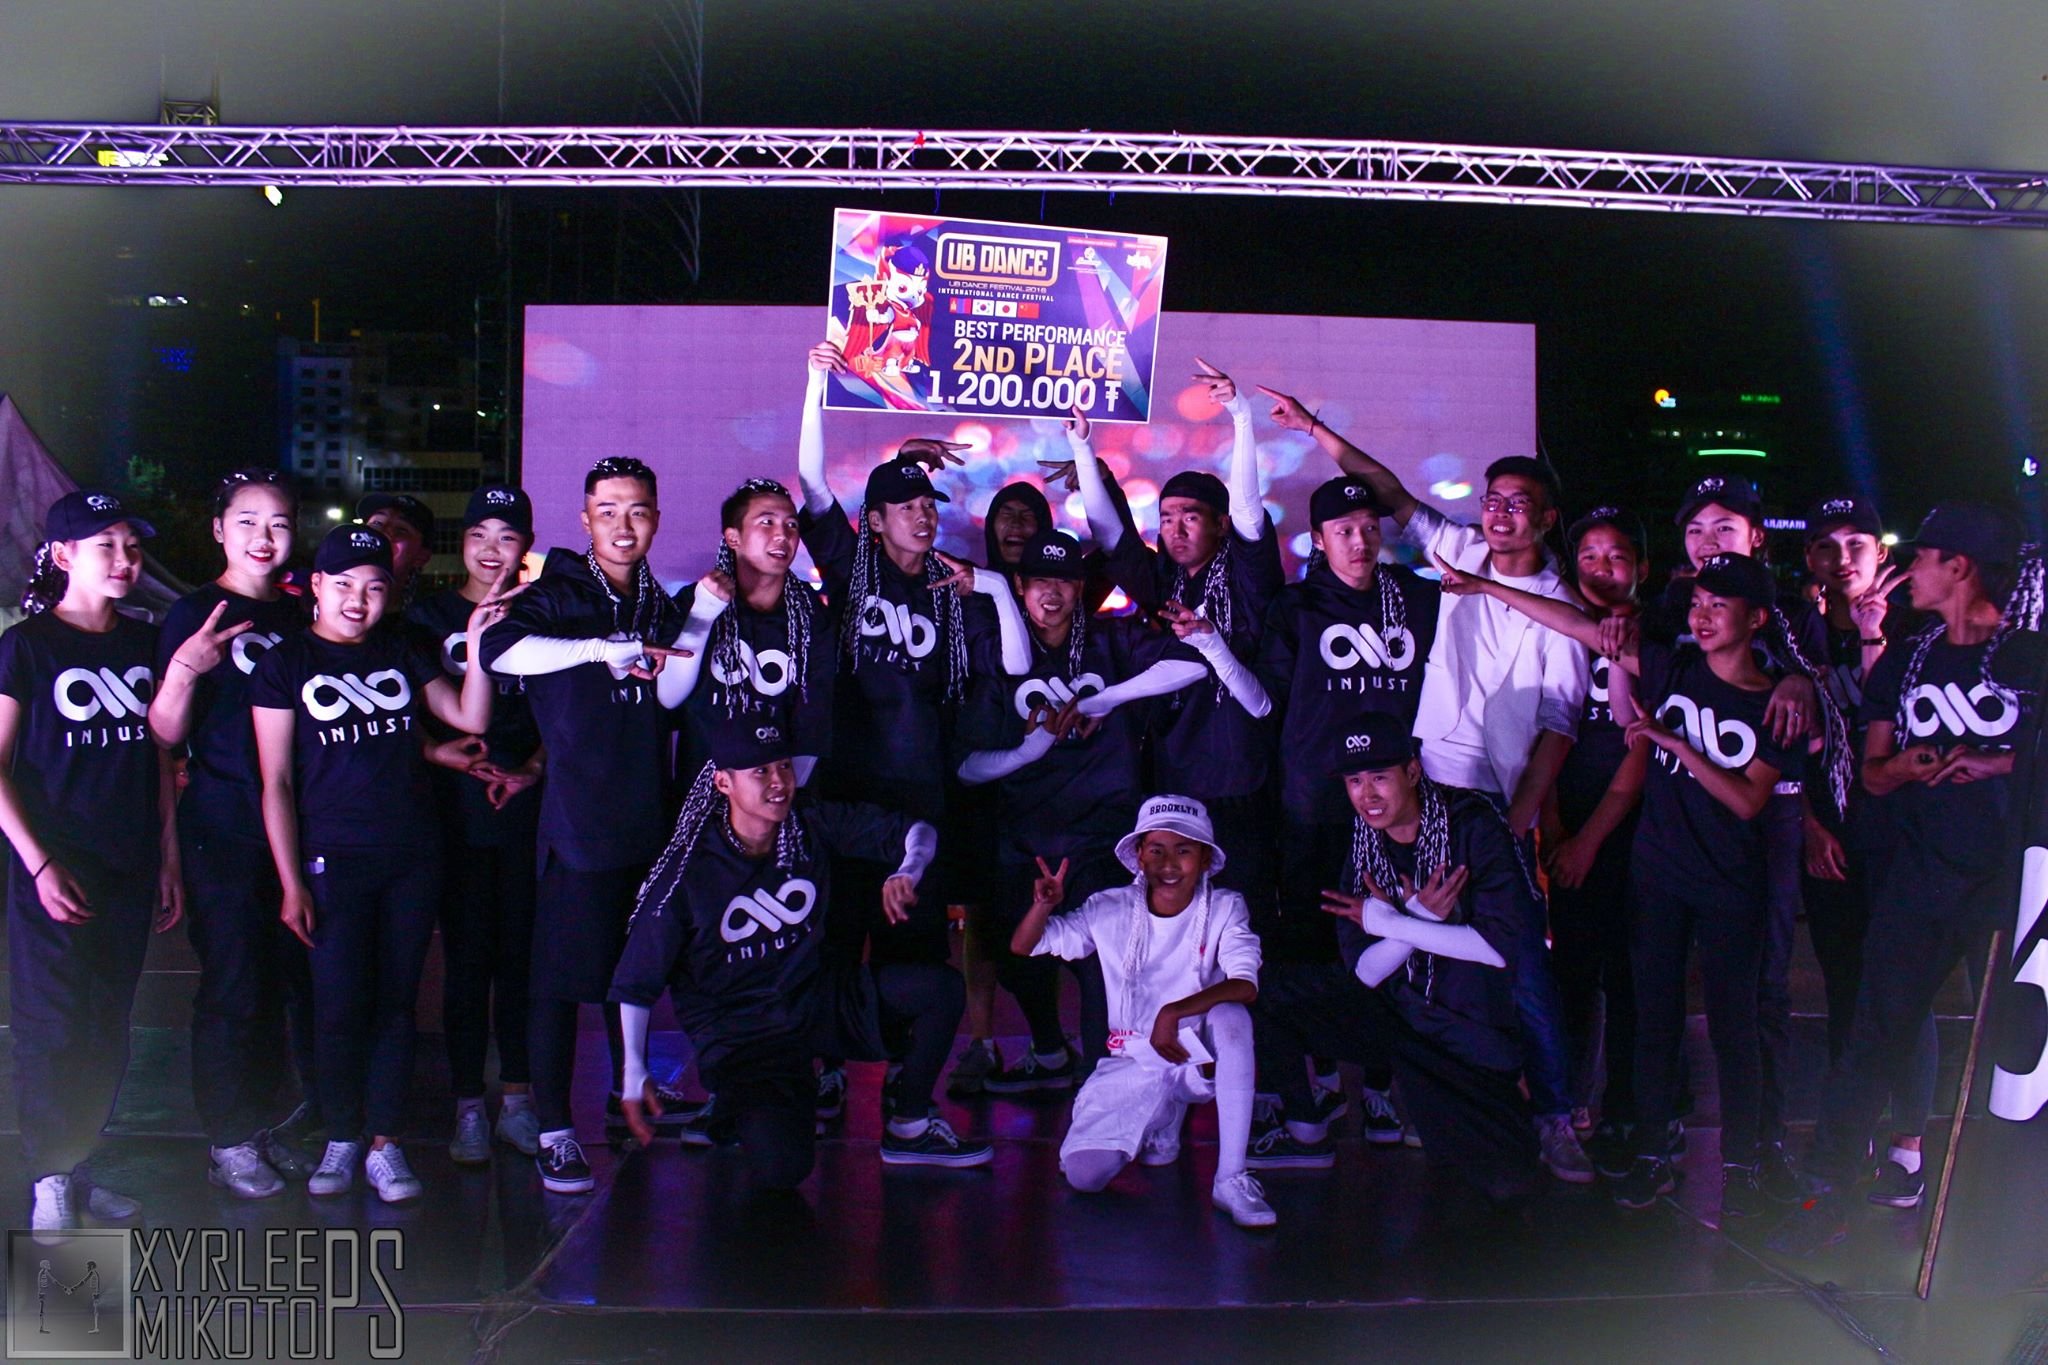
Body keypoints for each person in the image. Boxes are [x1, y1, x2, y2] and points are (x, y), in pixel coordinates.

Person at [1264, 386, 1593, 1183]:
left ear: (1547, 519)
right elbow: (1388, 489)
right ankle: (1417, 1095)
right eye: (1493, 500)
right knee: (1407, 942)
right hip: (1426, 787)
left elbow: (1559, 723)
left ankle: (1553, 1114)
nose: (1500, 513)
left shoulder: (1560, 606)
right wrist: (1312, 427)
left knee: (1520, 960)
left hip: (1493, 800)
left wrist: (1521, 816)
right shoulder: (1460, 551)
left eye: (1519, 503)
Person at [1773, 502, 2042, 1253]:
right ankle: (1826, 1190)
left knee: (2014, 1046)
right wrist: (1909, 766)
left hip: (2010, 888)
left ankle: (2009, 1213)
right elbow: (1873, 774)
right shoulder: (1908, 658)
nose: (1909, 568)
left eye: (1921, 557)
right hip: (1921, 876)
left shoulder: (2030, 656)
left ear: (1960, 566)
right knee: (1874, 1031)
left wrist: (1998, 761)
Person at [796, 343, 1029, 1126]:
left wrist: (989, 588)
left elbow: (1008, 665)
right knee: (836, 937)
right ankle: (825, 1070)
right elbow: (811, 483)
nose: (925, 515)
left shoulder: (951, 584)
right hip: (850, 793)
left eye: (930, 505)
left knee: (916, 948)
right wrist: (816, 383)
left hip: (924, 796)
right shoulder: (851, 569)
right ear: (876, 521)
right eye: (907, 506)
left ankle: (906, 1085)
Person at [612, 721, 992, 1180]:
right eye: (761, 771)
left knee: (939, 989)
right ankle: (735, 1107)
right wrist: (634, 1070)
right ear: (723, 783)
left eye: (784, 767)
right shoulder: (687, 871)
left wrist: (907, 871)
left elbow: (918, 831)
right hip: (743, 1034)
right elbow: (636, 982)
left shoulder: (806, 822)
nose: (778, 781)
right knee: (784, 1168)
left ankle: (909, 1125)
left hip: (814, 1001)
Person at [251, 523, 506, 1202]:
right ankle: (342, 1136)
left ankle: (385, 1144)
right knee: (338, 1004)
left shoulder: (399, 647)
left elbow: (470, 717)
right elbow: (275, 781)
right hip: (332, 856)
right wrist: (291, 881)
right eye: (344, 585)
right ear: (316, 587)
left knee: (396, 1004)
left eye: (373, 587)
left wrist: (479, 645)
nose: (358, 600)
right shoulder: (285, 663)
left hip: (411, 853)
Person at [958, 531, 1264, 1085]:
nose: (1053, 594)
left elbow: (1192, 665)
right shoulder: (1003, 653)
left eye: (1065, 582)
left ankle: (1109, 1080)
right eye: (1041, 582)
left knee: (1106, 967)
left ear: (1081, 589)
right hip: (1025, 833)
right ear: (1021, 587)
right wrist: (1028, 751)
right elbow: (967, 766)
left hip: (1102, 830)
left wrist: (1104, 699)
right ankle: (1051, 1051)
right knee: (1014, 955)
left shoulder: (1109, 638)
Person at [478, 456, 706, 1193]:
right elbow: (496, 650)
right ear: (585, 520)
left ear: (656, 518)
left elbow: (677, 688)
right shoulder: (560, 590)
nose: (623, 525)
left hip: (647, 818)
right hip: (577, 823)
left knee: (627, 972)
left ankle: (624, 1092)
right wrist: (599, 650)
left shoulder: (656, 599)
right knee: (558, 984)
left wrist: (703, 611)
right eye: (608, 511)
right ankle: (553, 1130)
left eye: (637, 510)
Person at [0, 490, 181, 1232]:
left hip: (128, 862)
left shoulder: (144, 642)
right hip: (58, 866)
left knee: (109, 1021)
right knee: (53, 1023)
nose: (124, 560)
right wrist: (39, 864)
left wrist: (167, 857)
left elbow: (160, 758)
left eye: (132, 546)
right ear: (63, 553)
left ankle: (79, 1164)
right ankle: (49, 1174)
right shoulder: (27, 646)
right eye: (105, 545)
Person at [1248, 475, 1439, 1156]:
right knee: (1310, 945)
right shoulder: (1296, 607)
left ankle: (1383, 1085)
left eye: (1368, 528)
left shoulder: (1415, 597)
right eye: (1344, 530)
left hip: (1397, 812)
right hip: (1314, 809)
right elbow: (1267, 706)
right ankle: (1324, 1076)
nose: (1360, 541)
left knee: (1394, 941)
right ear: (1319, 539)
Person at [1065, 361, 1283, 919]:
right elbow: (1112, 538)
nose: (1176, 529)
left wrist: (1240, 416)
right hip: (1175, 779)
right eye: (1166, 518)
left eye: (1191, 517)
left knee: (1244, 912)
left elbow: (1249, 510)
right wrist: (1084, 449)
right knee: (1178, 914)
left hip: (1242, 779)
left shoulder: (1248, 576)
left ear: (1219, 524)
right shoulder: (1167, 582)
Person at [149, 469, 311, 1198]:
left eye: (278, 523)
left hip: (299, 824)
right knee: (235, 982)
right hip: (224, 824)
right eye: (247, 521)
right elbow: (164, 733)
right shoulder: (193, 613)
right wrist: (187, 669)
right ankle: (229, 1137)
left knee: (285, 984)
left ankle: (268, 1121)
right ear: (219, 529)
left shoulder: (302, 614)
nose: (263, 537)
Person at [1310, 713, 1545, 1205]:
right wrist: (1418, 916)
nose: (1367, 795)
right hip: (1401, 1021)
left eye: (1379, 777)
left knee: (1505, 1183)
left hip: (1470, 1024)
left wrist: (1390, 924)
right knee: (1277, 1000)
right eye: (1355, 781)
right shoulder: (1363, 840)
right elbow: (1365, 971)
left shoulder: (1472, 824)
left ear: (1413, 772)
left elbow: (1496, 949)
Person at [1011, 796, 1271, 1228]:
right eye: (1157, 850)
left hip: (1198, 1054)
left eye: (1184, 850)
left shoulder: (1226, 906)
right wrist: (1043, 906)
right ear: (1139, 856)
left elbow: (1245, 984)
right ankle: (1163, 1116)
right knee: (1084, 1175)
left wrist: (1173, 1012)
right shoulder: (1108, 906)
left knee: (1231, 1019)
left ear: (1205, 859)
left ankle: (1231, 1177)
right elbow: (1025, 946)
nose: (1169, 863)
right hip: (1135, 1056)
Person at [406, 485, 547, 1166]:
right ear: (461, 543)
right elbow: (401, 713)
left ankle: (518, 1100)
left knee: (521, 960)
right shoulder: (425, 618)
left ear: (527, 547)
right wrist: (442, 756)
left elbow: (567, 711)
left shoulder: (545, 613)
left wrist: (533, 768)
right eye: (479, 535)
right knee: (465, 963)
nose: (492, 550)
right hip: (452, 813)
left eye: (507, 536)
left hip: (525, 810)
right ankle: (468, 1103)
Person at [1542, 508, 1651, 1175]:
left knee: (1633, 976)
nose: (1601, 568)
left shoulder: (1657, 638)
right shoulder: (1556, 632)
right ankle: (1571, 1103)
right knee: (1573, 975)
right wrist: (1556, 830)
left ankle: (1632, 1110)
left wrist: (1586, 841)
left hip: (1634, 834)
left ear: (1641, 568)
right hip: (1568, 831)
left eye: (1616, 556)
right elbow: (1544, 735)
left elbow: (1640, 748)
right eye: (1588, 555)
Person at [357, 492, 437, 601]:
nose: (382, 532)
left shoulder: (426, 611)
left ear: (421, 556)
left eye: (401, 530)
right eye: (376, 523)